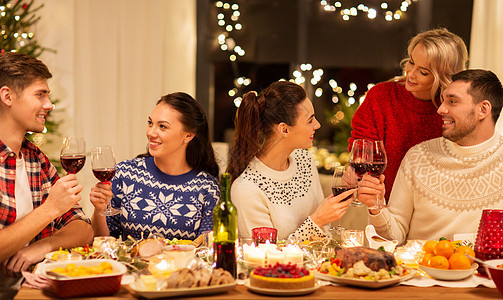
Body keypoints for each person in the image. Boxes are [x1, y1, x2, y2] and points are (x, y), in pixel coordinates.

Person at [359, 69, 503, 244]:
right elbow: (394, 238)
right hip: (420, 270)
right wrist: (376, 207)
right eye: (443, 101)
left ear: (483, 109)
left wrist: (458, 246)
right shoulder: (418, 157)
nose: (441, 109)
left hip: (485, 271)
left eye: (452, 101)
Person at [0, 52, 92, 295]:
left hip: (34, 289)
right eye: (40, 94)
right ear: (7, 96)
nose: (49, 105)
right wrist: (50, 209)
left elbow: (83, 227)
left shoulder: (35, 158)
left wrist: (43, 246)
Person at [349, 28, 469, 201]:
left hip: (435, 207)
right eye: (411, 62)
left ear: (443, 76)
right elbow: (362, 148)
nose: (410, 74)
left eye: (423, 72)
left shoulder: (453, 111)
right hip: (384, 205)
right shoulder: (380, 96)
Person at [227, 81, 355, 242]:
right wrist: (317, 220)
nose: (317, 125)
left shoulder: (304, 160)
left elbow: (324, 234)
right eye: (310, 120)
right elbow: (264, 256)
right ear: (284, 129)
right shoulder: (246, 189)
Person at [90, 93, 220, 241]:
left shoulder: (207, 188)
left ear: (189, 135)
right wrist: (99, 210)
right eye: (150, 123)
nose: (151, 132)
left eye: (162, 126)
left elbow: (206, 250)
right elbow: (101, 242)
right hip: (130, 264)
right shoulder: (125, 174)